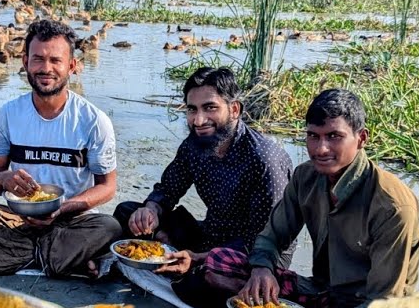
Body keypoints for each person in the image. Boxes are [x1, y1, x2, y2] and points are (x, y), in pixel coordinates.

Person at [210, 88, 419, 308]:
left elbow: (383, 305)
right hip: (324, 293)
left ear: (361, 138)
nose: (321, 149)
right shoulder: (305, 176)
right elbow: (272, 236)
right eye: (313, 136)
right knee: (219, 264)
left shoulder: (392, 206)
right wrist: (262, 269)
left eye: (334, 136)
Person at [0, 18, 122, 277]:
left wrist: (61, 209)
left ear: (71, 66)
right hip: (18, 218)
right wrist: (4, 178)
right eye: (38, 59)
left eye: (55, 61)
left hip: (70, 219)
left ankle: (9, 257)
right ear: (25, 62)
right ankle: (53, 259)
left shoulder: (93, 120)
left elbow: (107, 187)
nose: (46, 69)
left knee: (109, 226)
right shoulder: (9, 114)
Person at [114, 66, 292, 262]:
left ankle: (192, 266)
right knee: (128, 213)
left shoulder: (264, 159)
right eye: (192, 110)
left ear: (234, 109)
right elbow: (167, 190)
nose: (198, 121)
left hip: (256, 253)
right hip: (211, 236)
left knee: (207, 279)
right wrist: (151, 211)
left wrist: (199, 258)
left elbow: (265, 240)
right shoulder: (194, 145)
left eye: (210, 108)